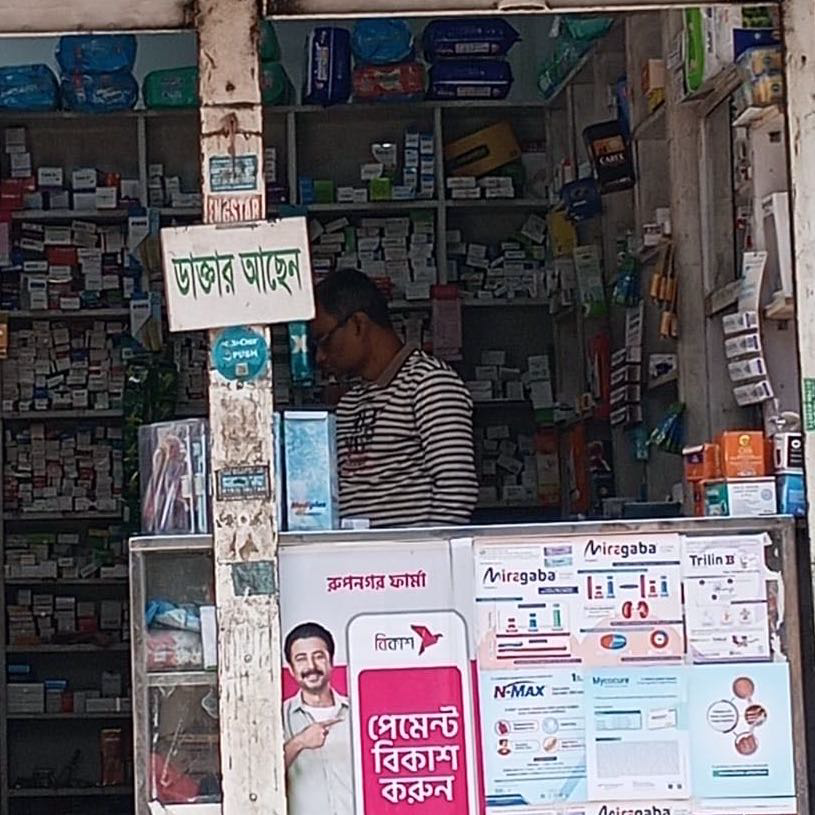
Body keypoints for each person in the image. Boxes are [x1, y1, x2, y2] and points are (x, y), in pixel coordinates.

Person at [312, 269, 479, 528]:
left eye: (325, 340)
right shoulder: (349, 404)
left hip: (413, 553)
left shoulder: (429, 383)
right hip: (353, 551)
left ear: (358, 324)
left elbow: (456, 491)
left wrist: (426, 550)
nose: (320, 357)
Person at [282, 622, 352, 815]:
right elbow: (262, 777)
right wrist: (300, 742)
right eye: (301, 659)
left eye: (319, 656)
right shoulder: (278, 717)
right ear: (291, 669)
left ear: (331, 662)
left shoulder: (358, 712)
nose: (311, 666)